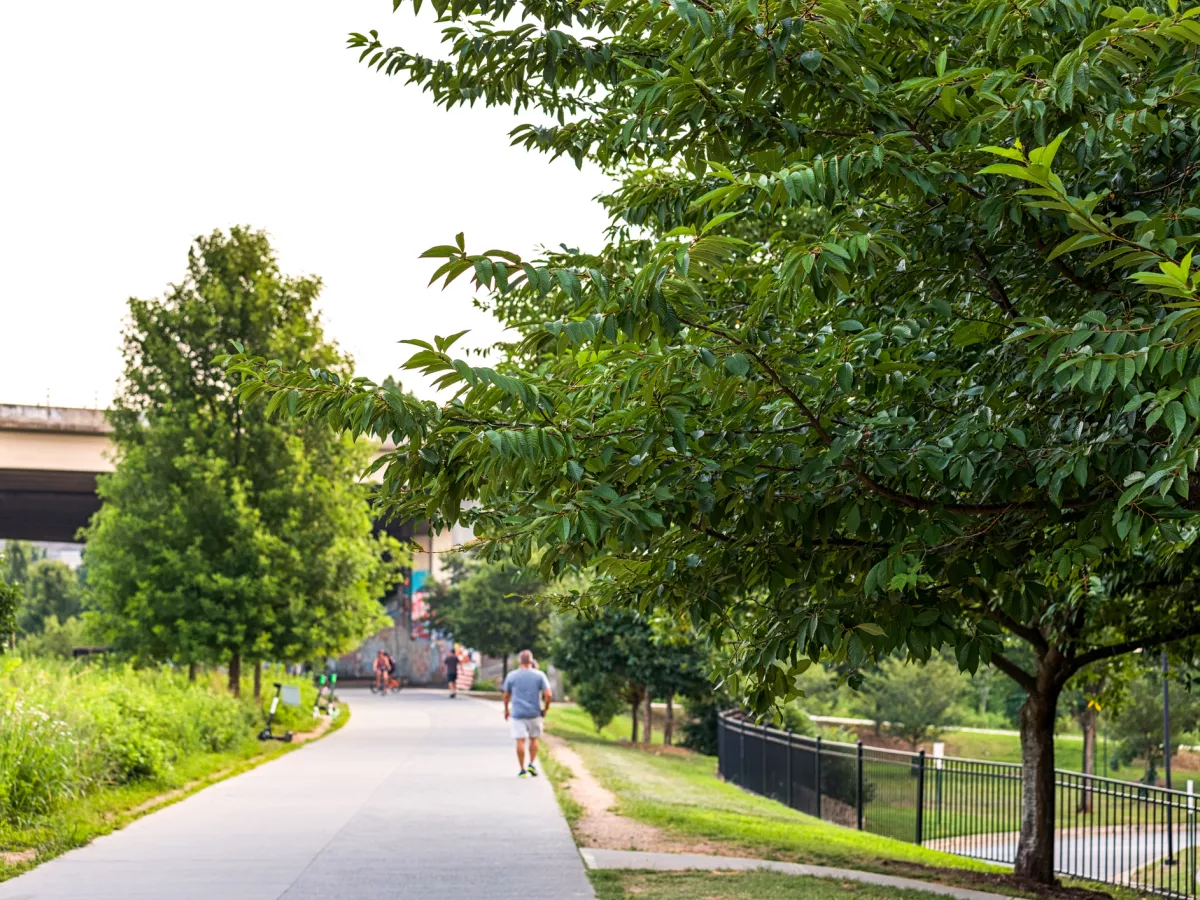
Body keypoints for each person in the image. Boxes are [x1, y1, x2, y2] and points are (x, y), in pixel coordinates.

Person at [502, 649, 552, 777]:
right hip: (534, 713)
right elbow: (548, 694)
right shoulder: (539, 675)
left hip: (517, 713)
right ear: (531, 660)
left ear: (519, 661)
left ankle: (522, 769)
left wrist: (506, 709)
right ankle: (531, 764)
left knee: (520, 740)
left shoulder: (512, 676)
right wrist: (545, 708)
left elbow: (506, 695)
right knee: (534, 739)